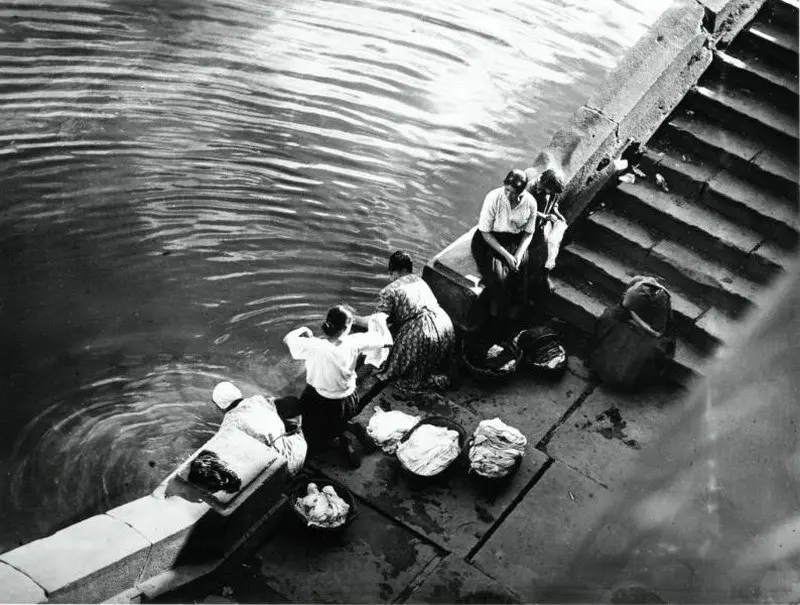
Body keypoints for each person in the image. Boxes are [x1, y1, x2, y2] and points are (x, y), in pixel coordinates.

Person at [283, 305, 386, 467]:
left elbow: (288, 339)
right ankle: (348, 430)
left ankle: (338, 439)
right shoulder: (355, 342)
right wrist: (379, 321)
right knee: (337, 420)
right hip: (346, 400)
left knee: (311, 423)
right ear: (347, 327)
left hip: (317, 397)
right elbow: (385, 340)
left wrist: (303, 329)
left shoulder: (314, 345)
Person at [358, 250, 455, 393]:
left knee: (399, 380)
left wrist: (354, 318)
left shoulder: (389, 290)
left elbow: (376, 323)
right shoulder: (420, 280)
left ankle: (437, 381)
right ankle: (438, 375)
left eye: (391, 273)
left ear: (396, 271)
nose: (390, 278)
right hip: (445, 326)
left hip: (420, 332)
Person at [471, 169, 538, 324]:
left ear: (523, 191)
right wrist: (507, 256)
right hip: (491, 240)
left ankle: (510, 320)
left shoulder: (530, 203)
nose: (509, 196)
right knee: (499, 278)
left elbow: (528, 233)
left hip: (515, 240)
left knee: (521, 276)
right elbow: (485, 232)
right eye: (507, 190)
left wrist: (519, 254)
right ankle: (494, 320)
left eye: (515, 193)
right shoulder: (493, 198)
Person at [211, 381, 308, 476]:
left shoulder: (228, 425)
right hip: (298, 451)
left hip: (283, 468)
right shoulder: (259, 400)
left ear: (219, 406)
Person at [525, 166, 566, 294]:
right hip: (527, 227)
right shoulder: (530, 189)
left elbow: (554, 205)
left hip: (541, 227)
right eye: (549, 190)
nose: (550, 193)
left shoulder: (552, 192)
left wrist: (559, 216)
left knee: (549, 253)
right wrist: (545, 216)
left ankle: (544, 277)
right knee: (529, 259)